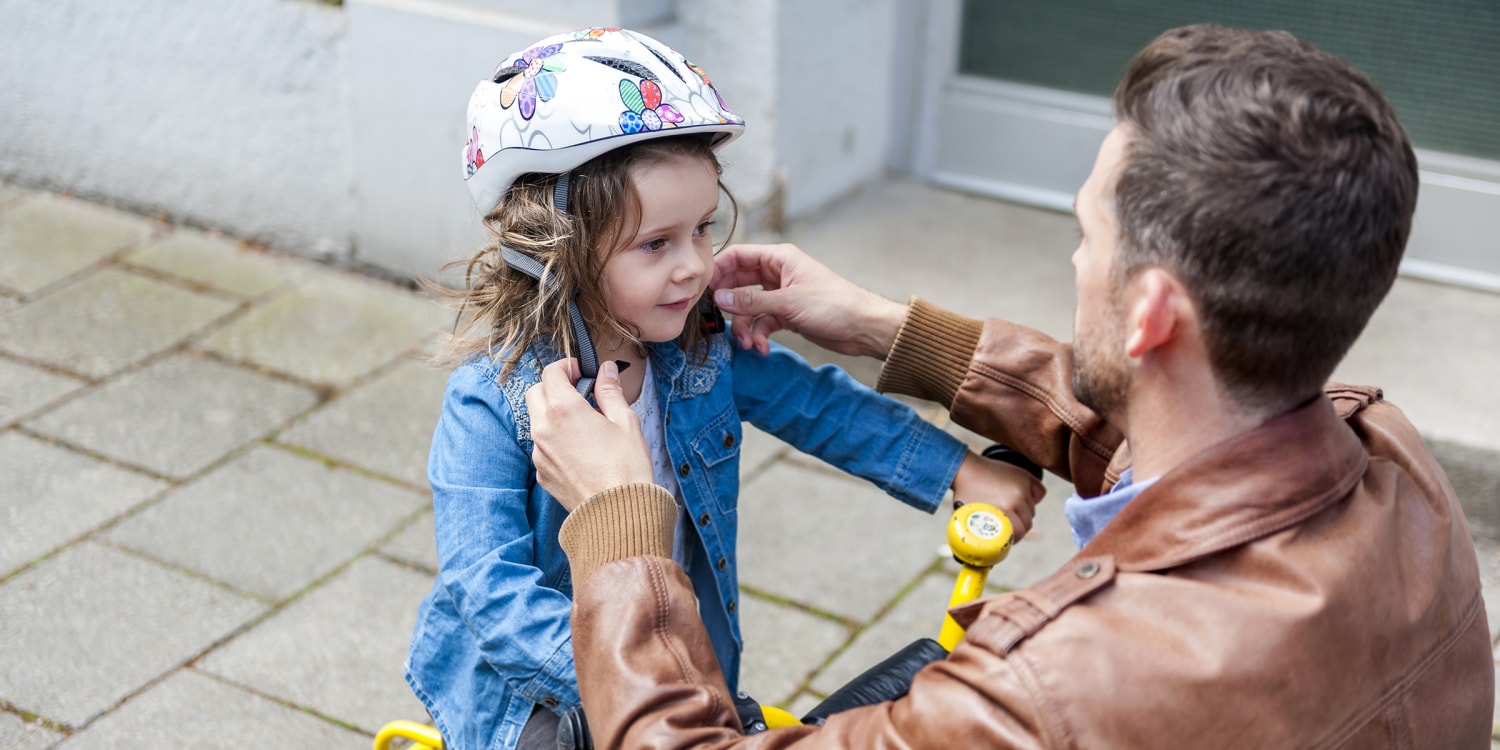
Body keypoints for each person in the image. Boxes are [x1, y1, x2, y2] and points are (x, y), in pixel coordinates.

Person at [524, 24, 1494, 748]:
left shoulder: (1050, 693)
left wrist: (620, 529)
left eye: (1087, 235)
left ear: (1153, 315)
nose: (1077, 263)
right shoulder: (1394, 466)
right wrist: (887, 330)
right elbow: (1176, 444)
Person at [405, 27, 1043, 750]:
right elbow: (491, 598)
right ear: (557, 255)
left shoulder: (700, 352)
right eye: (656, 244)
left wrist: (956, 466)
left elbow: (817, 405)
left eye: (702, 229)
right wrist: (665, 683)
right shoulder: (490, 404)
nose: (694, 266)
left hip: (675, 663)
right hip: (531, 699)